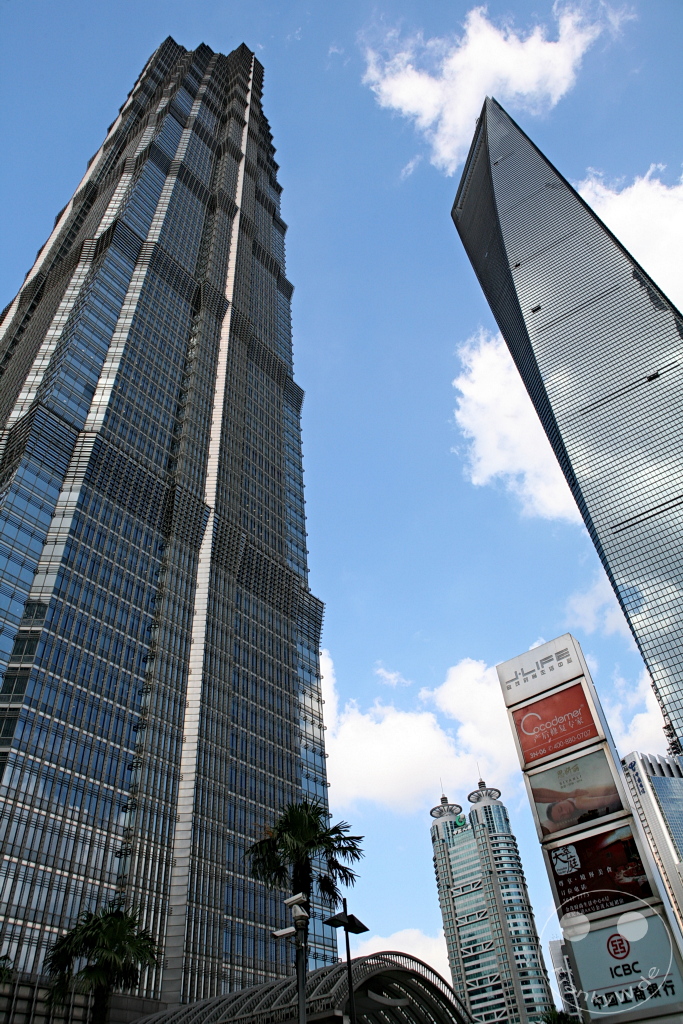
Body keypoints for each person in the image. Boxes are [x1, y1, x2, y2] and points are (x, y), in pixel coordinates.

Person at [533, 782, 621, 835]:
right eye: (563, 816)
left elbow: (607, 801)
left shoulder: (579, 803)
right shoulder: (576, 800)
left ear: (560, 801)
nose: (565, 812)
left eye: (560, 809)